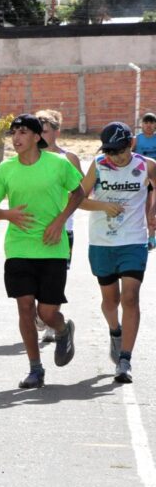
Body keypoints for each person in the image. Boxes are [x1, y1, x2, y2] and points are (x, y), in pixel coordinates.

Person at [0, 115, 84, 388]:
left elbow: (78, 193)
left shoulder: (58, 164)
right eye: (13, 133)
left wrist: (60, 221)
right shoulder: (6, 168)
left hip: (52, 248)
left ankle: (63, 330)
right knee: (25, 307)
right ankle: (35, 369)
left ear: (37, 136)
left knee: (48, 313)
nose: (16, 138)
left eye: (23, 132)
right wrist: (7, 214)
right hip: (19, 247)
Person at [76, 121, 156, 383]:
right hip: (102, 242)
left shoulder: (147, 165)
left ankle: (125, 360)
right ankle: (115, 330)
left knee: (130, 298)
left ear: (131, 143)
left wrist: (153, 212)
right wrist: (103, 206)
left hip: (133, 241)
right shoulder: (99, 164)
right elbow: (78, 199)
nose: (116, 157)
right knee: (110, 301)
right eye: (110, 151)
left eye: (120, 151)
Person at [34, 109, 85, 341]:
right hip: (34, 229)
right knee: (35, 278)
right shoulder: (30, 158)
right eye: (38, 132)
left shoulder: (68, 158)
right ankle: (41, 314)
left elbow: (82, 190)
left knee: (55, 279)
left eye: (45, 131)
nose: (41, 136)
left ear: (57, 132)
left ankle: (51, 321)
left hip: (63, 228)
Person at [132, 112, 156, 250]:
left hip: (155, 177)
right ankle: (149, 237)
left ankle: (151, 236)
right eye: (146, 122)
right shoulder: (136, 139)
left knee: (153, 208)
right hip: (142, 178)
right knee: (147, 208)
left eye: (151, 122)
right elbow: (128, 156)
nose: (148, 125)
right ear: (141, 124)